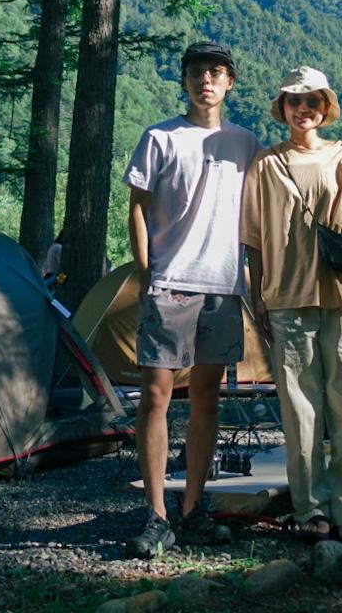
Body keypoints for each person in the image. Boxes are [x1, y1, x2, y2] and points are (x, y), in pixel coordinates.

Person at [122, 42, 259, 558]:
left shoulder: (245, 143)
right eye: (198, 71)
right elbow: (136, 206)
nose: (207, 79)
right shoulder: (159, 137)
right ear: (184, 81)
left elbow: (288, 175)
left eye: (217, 72)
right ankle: (156, 515)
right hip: (170, 282)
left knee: (206, 398)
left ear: (229, 84)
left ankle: (192, 509)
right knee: (157, 394)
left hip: (223, 287)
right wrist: (145, 271)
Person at [241, 66, 342, 548]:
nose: (303, 109)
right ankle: (311, 507)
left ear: (325, 108)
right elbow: (255, 240)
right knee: (300, 411)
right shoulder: (264, 164)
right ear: (281, 109)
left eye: (312, 101)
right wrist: (257, 293)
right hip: (286, 298)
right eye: (293, 101)